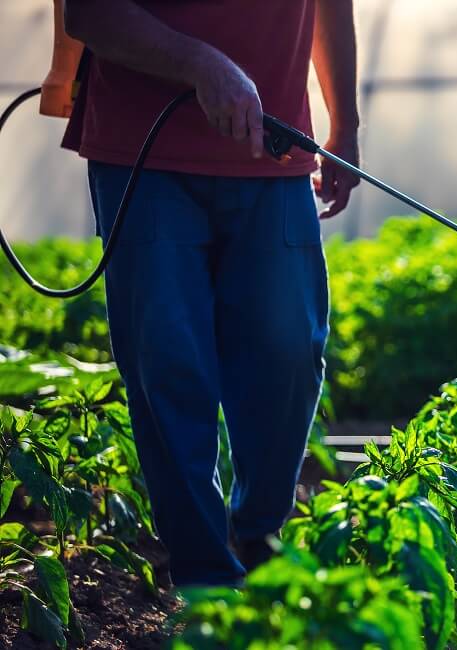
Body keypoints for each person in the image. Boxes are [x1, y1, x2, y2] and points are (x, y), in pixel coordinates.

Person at [60, 0, 359, 587]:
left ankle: (260, 536)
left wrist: (344, 123)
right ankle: (205, 578)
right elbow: (88, 13)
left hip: (273, 147)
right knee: (167, 365)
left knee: (290, 350)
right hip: (142, 151)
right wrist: (200, 64)